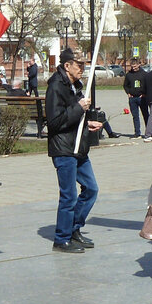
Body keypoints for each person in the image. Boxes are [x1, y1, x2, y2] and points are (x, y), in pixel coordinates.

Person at [46, 47, 103, 253]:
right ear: (67, 65)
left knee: (91, 189)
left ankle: (73, 228)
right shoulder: (56, 86)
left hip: (78, 146)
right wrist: (79, 108)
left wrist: (87, 124)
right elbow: (54, 122)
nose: (83, 69)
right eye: (79, 65)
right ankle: (61, 238)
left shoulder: (73, 85)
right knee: (69, 195)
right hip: (63, 149)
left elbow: (71, 117)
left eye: (84, 65)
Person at [123, 60, 148, 136]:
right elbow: (125, 85)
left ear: (139, 65)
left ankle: (148, 132)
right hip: (133, 98)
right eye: (132, 66)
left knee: (146, 115)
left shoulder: (144, 74)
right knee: (135, 116)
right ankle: (137, 133)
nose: (133, 68)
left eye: (135, 66)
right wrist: (128, 93)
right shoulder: (129, 75)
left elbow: (148, 85)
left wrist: (144, 94)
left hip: (142, 98)